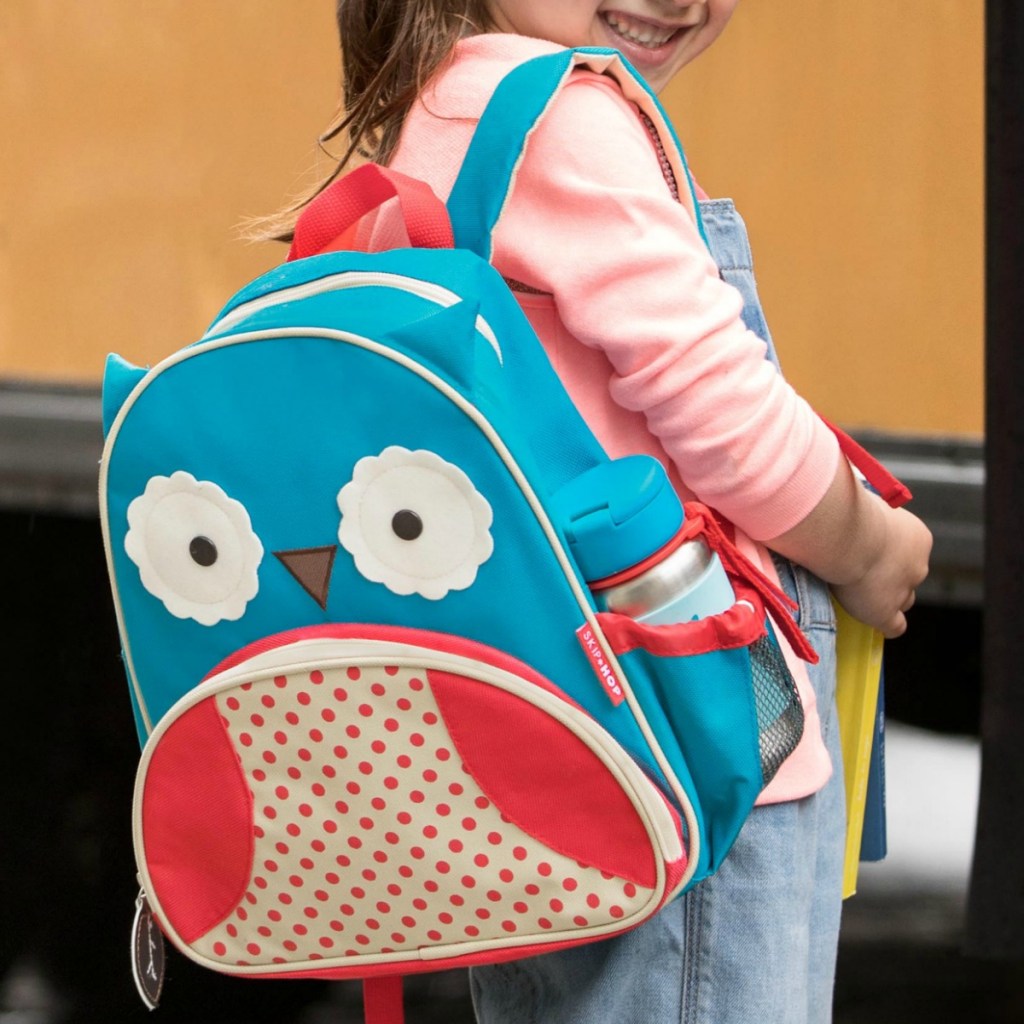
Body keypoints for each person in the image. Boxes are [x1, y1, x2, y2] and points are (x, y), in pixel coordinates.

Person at [266, 2, 933, 1021]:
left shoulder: (449, 107)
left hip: (565, 761)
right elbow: (727, 420)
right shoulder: (562, 117)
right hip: (692, 764)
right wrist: (869, 542)